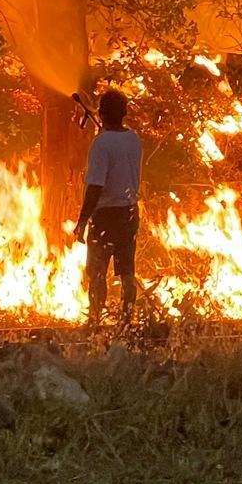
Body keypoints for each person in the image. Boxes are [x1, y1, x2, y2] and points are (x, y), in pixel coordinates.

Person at [72, 88, 142, 327]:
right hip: (129, 212)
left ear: (101, 114)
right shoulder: (133, 140)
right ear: (124, 113)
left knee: (97, 271)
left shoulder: (101, 144)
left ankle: (95, 320)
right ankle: (127, 320)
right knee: (127, 272)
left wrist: (82, 221)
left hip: (106, 215)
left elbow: (95, 187)